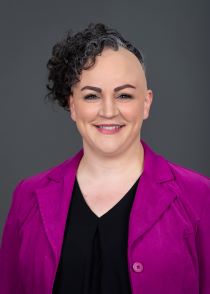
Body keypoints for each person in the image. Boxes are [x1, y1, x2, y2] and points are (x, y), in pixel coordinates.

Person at [0, 22, 210, 294]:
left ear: (146, 103)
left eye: (124, 95)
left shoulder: (200, 197)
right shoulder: (27, 197)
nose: (109, 111)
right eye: (91, 96)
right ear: (72, 105)